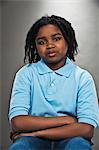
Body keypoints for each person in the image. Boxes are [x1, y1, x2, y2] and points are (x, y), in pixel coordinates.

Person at [8, 15, 99, 150]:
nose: (50, 45)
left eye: (56, 39)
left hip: (71, 138)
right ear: (36, 46)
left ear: (68, 41)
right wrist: (67, 120)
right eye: (42, 42)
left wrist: (37, 132)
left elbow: (86, 129)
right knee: (21, 147)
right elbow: (18, 122)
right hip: (32, 140)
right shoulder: (26, 74)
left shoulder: (83, 78)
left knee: (79, 146)